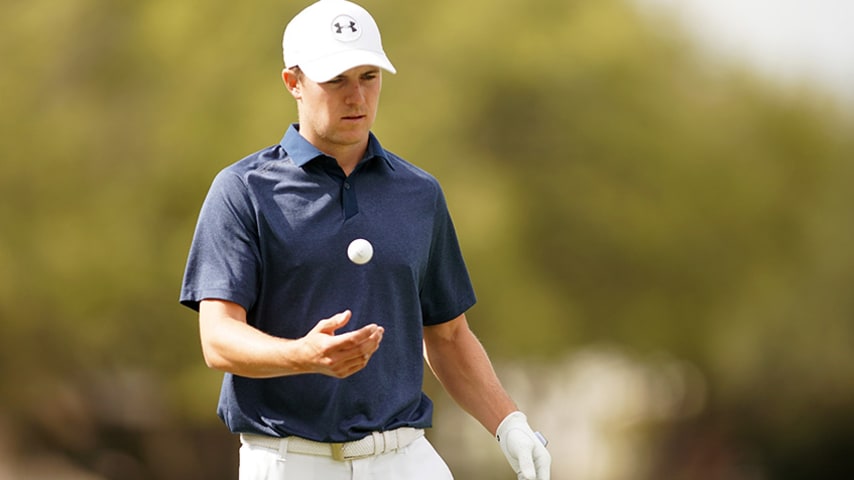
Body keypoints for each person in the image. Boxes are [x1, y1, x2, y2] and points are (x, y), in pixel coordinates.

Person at [179, 1, 551, 479]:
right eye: (336, 80)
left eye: (368, 77)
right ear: (293, 82)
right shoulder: (243, 190)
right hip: (293, 461)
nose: (356, 96)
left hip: (406, 457)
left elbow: (448, 335)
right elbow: (218, 340)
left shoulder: (419, 193)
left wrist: (509, 423)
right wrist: (303, 356)